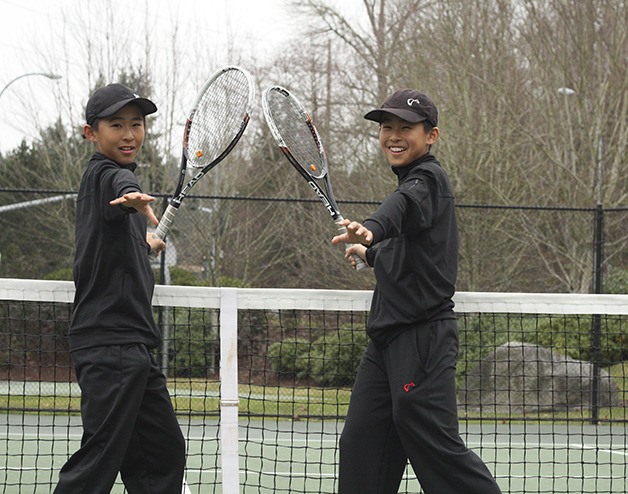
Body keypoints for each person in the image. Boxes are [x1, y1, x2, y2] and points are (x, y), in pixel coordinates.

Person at [331, 89, 502, 494]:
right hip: (385, 344)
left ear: (431, 135)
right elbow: (414, 250)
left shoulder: (427, 179)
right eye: (386, 127)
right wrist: (371, 253)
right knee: (361, 448)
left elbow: (402, 207)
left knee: (435, 448)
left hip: (423, 338)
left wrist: (372, 227)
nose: (393, 135)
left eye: (405, 127)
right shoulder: (412, 186)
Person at [54, 83, 186, 493]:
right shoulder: (107, 176)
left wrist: (144, 244)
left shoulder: (118, 202)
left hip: (131, 346)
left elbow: (113, 250)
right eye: (116, 125)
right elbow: (118, 186)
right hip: (110, 344)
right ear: (90, 132)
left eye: (137, 124)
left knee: (161, 453)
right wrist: (129, 193)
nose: (130, 134)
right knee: (98, 461)